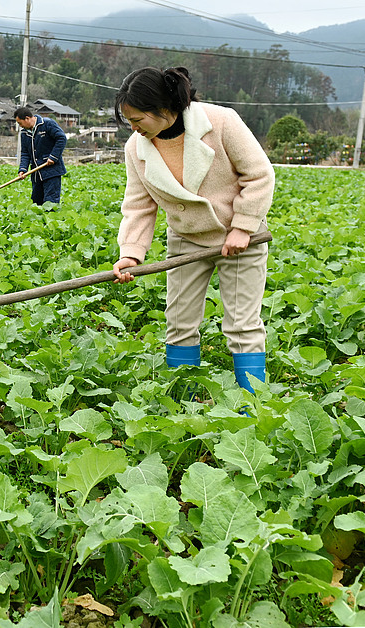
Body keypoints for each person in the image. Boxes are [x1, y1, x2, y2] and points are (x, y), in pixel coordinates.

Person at [110, 67, 275, 393]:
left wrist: (242, 227)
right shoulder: (136, 148)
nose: (133, 128)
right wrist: (131, 254)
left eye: (138, 119)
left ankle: (252, 405)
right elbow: (139, 205)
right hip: (186, 238)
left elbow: (259, 175)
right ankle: (182, 403)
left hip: (239, 238)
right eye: (128, 121)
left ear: (163, 108)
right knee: (179, 322)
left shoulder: (221, 122)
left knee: (242, 324)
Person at [14, 106, 66, 206]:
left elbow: (61, 138)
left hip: (51, 171)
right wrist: (23, 169)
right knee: (37, 201)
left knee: (50, 202)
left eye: (20, 123)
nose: (20, 126)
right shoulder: (24, 133)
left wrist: (53, 156)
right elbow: (25, 153)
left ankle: (50, 216)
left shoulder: (47, 124)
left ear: (27, 118)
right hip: (36, 173)